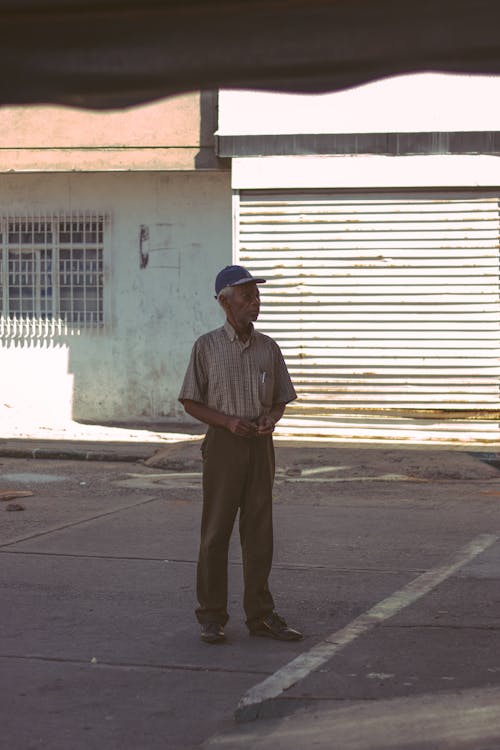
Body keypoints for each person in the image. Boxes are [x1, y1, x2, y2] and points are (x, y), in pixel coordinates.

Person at [178, 264, 303, 644]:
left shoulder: (269, 348)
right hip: (223, 445)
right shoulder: (207, 347)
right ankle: (212, 617)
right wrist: (227, 422)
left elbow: (281, 398)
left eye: (257, 295)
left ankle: (260, 615)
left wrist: (271, 419)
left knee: (259, 533)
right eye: (247, 296)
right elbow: (190, 401)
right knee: (216, 533)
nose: (256, 302)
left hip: (259, 445)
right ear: (225, 302)